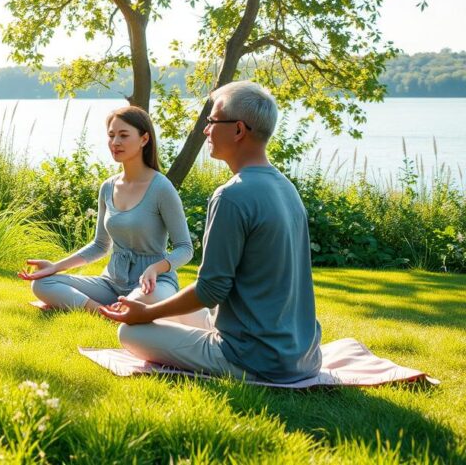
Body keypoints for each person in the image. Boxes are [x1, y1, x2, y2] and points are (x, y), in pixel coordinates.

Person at [101, 81, 323, 383]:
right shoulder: (286, 187)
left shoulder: (232, 195)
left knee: (129, 332)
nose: (206, 129)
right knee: (172, 308)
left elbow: (210, 291)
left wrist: (146, 314)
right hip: (304, 355)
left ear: (238, 130)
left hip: (251, 357)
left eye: (212, 121)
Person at [19, 106, 211, 328]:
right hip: (112, 282)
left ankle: (127, 308)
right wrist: (55, 267)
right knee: (42, 283)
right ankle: (101, 311)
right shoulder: (107, 187)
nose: (115, 142)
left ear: (144, 139)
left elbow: (185, 248)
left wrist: (155, 268)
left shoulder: (161, 188)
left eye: (123, 135)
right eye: (111, 135)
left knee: (142, 300)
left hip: (153, 284)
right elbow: (100, 245)